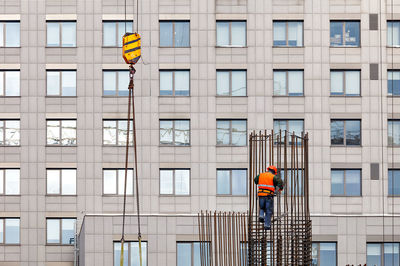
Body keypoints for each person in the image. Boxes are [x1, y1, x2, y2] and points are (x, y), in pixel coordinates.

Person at [254, 165, 284, 230]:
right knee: (268, 211)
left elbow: (255, 180)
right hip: (268, 195)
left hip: (261, 194)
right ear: (273, 172)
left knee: (262, 207)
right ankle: (267, 225)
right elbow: (280, 183)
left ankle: (261, 216)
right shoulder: (273, 177)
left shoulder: (261, 175)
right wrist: (277, 190)